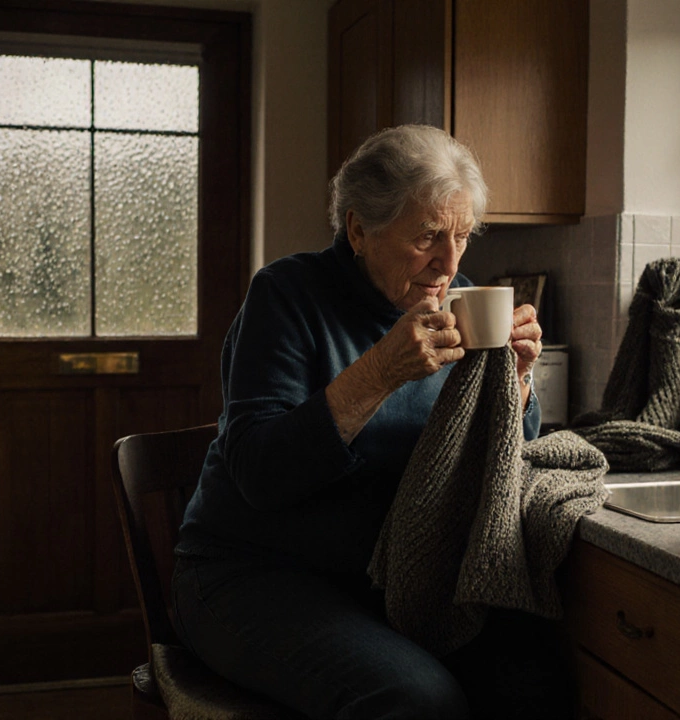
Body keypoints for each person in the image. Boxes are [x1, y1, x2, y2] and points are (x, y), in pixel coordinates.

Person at [172, 125, 547, 719]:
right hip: (250, 574)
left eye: (463, 237)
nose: (449, 263)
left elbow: (498, 466)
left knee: (533, 674)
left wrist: (519, 383)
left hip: (393, 581)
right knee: (418, 699)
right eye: (427, 237)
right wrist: (378, 373)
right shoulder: (287, 295)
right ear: (358, 231)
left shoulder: (466, 303)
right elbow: (259, 474)